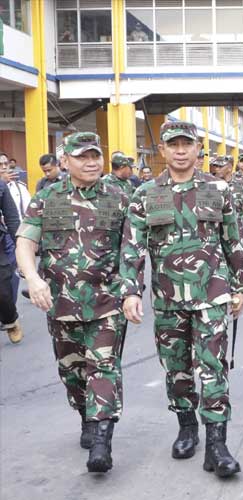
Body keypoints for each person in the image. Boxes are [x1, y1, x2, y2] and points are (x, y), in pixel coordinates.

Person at [120, 121, 243, 478]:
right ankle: (187, 426)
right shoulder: (145, 194)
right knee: (176, 369)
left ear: (197, 149)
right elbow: (131, 248)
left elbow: (233, 241)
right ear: (162, 150)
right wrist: (130, 290)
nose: (180, 150)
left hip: (212, 293)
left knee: (213, 366)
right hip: (167, 298)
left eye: (186, 144)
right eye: (172, 144)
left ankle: (218, 443)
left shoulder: (219, 189)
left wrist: (240, 286)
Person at [15, 132, 129, 472]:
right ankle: (86, 415)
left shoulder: (119, 196)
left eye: (96, 155)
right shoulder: (47, 198)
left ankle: (102, 441)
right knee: (73, 372)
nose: (92, 161)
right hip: (61, 303)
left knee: (104, 367)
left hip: (108, 301)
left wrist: (131, 289)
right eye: (82, 156)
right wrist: (33, 278)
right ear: (65, 162)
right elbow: (25, 241)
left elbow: (134, 247)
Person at [209, 155, 243, 245]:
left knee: (238, 255)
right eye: (215, 166)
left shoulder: (240, 183)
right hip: (217, 230)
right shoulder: (211, 184)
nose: (217, 169)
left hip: (237, 228)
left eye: (220, 166)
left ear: (229, 168)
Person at [0, 179, 21, 343]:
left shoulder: (1, 186)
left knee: (3, 291)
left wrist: (21, 247)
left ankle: (10, 319)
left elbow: (12, 218)